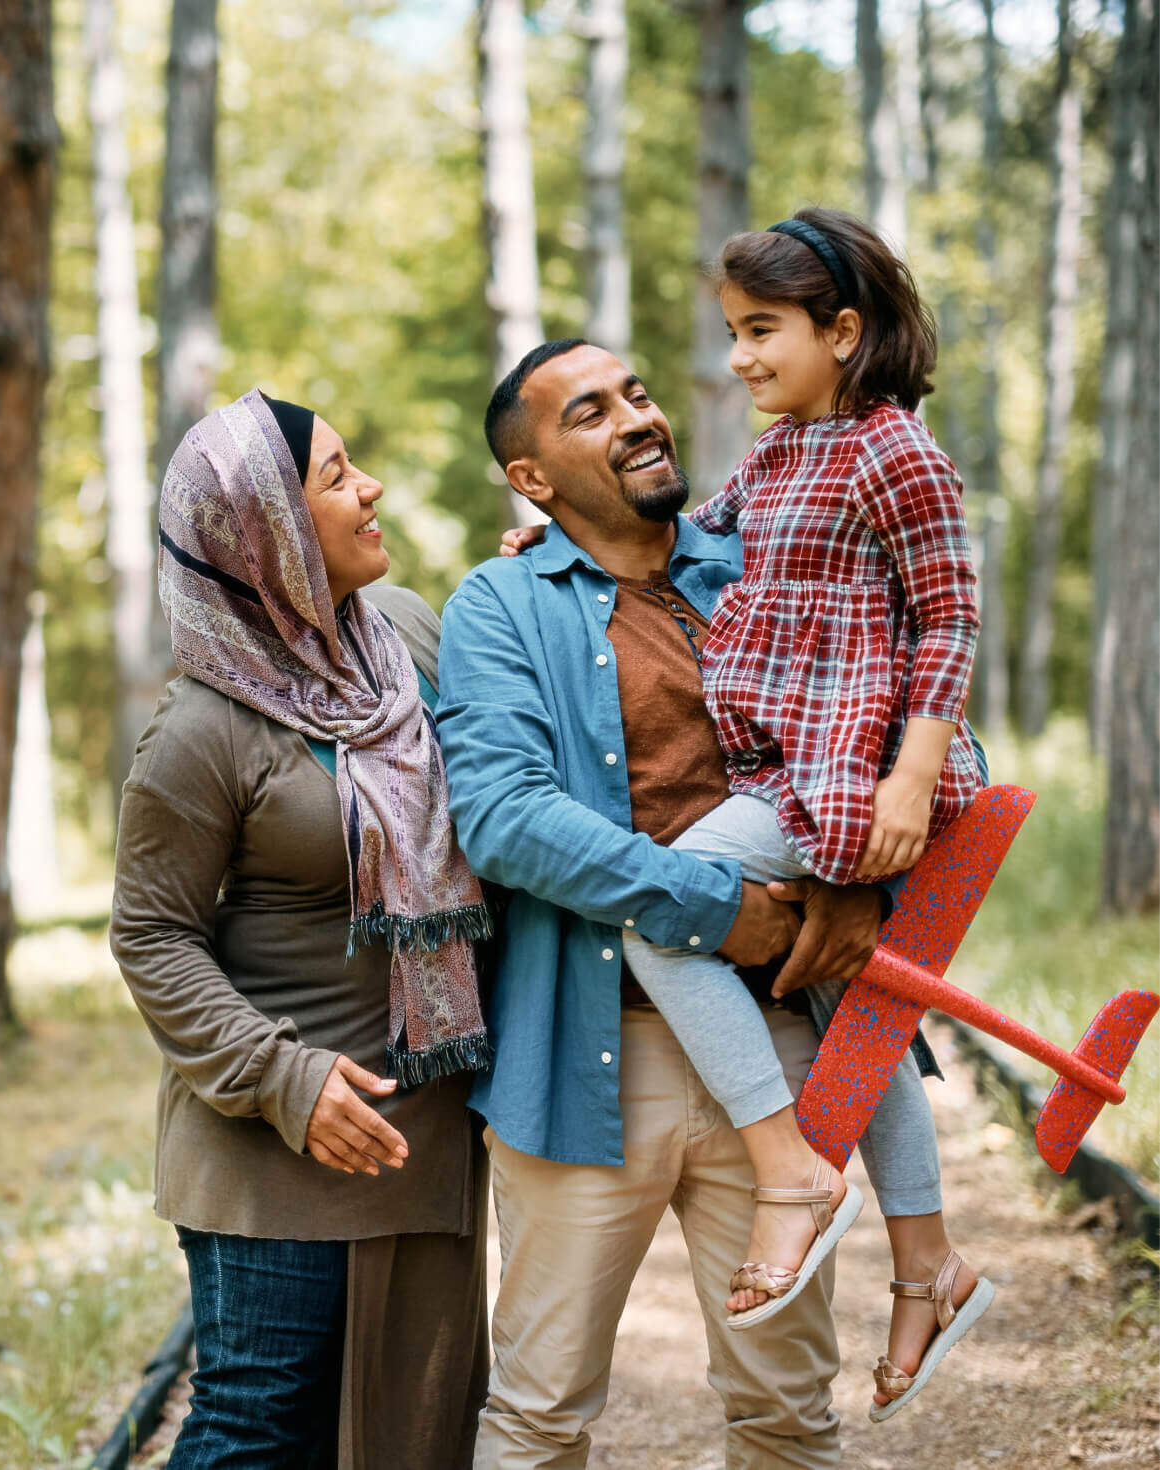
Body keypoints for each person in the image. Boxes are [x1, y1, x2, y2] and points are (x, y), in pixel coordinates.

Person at [502, 209, 993, 1423]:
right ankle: (928, 1261)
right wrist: (547, 535)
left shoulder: (896, 453)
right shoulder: (784, 455)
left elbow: (948, 620)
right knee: (848, 1005)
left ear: (843, 330)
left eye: (760, 331)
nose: (735, 361)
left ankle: (793, 1175)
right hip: (801, 780)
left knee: (666, 906)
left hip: (856, 777)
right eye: (731, 333)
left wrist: (912, 780)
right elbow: (696, 528)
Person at [437, 339, 896, 1469]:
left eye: (636, 393)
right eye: (589, 412)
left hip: (780, 1044)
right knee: (540, 1411)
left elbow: (911, 732)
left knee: (786, 1408)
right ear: (530, 479)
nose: (637, 417)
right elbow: (501, 813)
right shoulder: (499, 607)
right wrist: (709, 908)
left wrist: (855, 883)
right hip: (589, 1062)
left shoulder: (769, 565)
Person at [110, 388, 490, 1469]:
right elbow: (151, 939)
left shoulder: (407, 636)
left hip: (424, 1127)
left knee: (403, 1432)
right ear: (267, 532)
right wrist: (289, 1081)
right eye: (334, 477)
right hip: (277, 1140)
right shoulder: (203, 728)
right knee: (257, 1432)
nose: (368, 487)